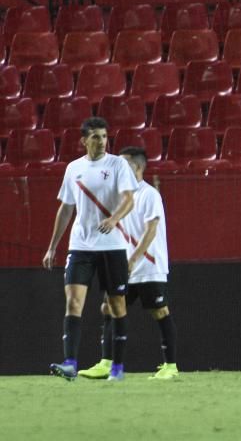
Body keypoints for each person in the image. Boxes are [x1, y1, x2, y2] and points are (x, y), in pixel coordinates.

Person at [43, 116, 137, 381]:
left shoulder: (118, 164)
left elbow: (129, 199)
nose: (102, 141)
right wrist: (52, 247)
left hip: (113, 245)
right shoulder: (73, 168)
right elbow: (66, 209)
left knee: (116, 306)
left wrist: (114, 219)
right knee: (73, 302)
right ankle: (70, 363)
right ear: (84, 141)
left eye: (105, 136)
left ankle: (117, 368)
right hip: (81, 245)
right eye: (96, 137)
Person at [78, 146, 178, 380]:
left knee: (160, 311)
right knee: (110, 308)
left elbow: (151, 230)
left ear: (138, 167)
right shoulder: (118, 197)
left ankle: (171, 366)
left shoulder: (149, 194)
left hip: (148, 265)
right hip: (122, 265)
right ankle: (105, 362)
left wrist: (133, 259)